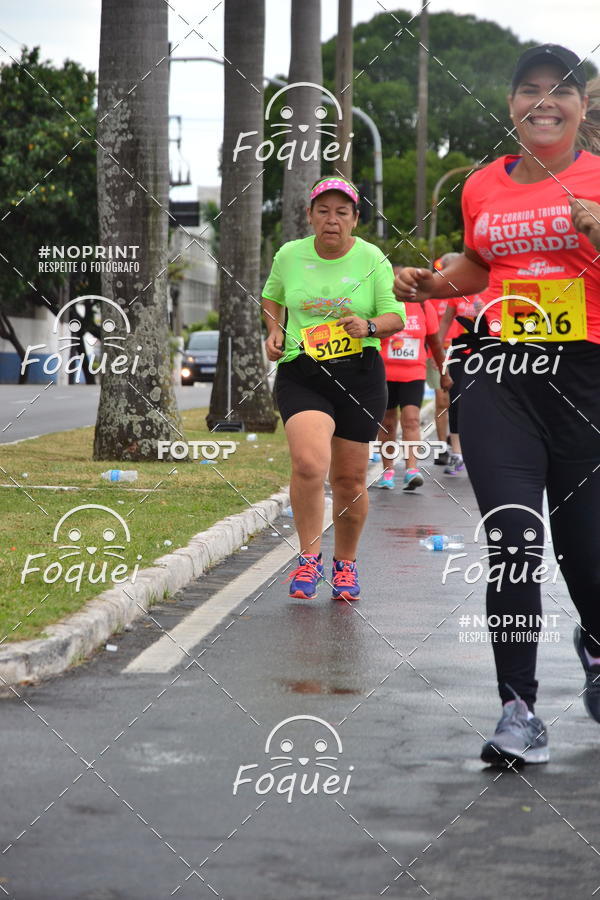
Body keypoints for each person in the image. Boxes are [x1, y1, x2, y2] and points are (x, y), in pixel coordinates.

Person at [394, 47, 600, 766]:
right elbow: (480, 266)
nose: (543, 102)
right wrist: (433, 283)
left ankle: (596, 647)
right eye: (528, 90)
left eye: (560, 92)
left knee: (589, 555)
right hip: (500, 372)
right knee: (515, 541)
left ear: (582, 104)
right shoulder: (482, 187)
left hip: (586, 379)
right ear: (510, 103)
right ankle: (518, 709)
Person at [263, 176, 405, 602]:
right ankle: (308, 559)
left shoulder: (372, 258)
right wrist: (275, 328)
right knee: (308, 463)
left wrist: (370, 326)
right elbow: (272, 296)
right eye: (322, 211)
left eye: (342, 212)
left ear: (355, 220)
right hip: (303, 372)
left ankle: (346, 564)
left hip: (359, 376)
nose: (331, 220)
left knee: (349, 479)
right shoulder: (289, 255)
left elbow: (395, 316)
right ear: (309, 216)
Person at [375, 290, 451, 490]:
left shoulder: (424, 307)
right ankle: (388, 471)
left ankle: (411, 470)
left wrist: (443, 373)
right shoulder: (384, 304)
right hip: (385, 372)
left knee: (411, 419)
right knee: (388, 423)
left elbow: (435, 341)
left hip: (414, 373)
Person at [437, 291, 485, 475]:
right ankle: (457, 454)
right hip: (460, 352)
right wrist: (437, 352)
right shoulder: (457, 293)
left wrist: (486, 312)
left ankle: (481, 451)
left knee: (482, 402)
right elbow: (445, 321)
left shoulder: (493, 288)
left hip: (486, 351)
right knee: (456, 399)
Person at [426, 254, 462, 466]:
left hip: (462, 353)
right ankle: (442, 447)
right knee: (441, 401)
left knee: (460, 401)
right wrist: (432, 354)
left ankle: (457, 441)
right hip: (438, 353)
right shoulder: (433, 295)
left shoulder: (466, 291)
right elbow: (430, 328)